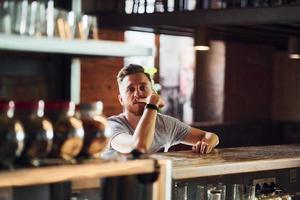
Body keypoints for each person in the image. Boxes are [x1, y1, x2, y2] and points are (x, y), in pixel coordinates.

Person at [107, 64, 219, 154]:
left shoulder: (165, 124)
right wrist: (152, 104)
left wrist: (207, 143)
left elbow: (211, 136)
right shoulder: (111, 126)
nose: (138, 93)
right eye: (131, 89)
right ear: (121, 100)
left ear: (153, 92)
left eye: (142, 87)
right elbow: (139, 147)